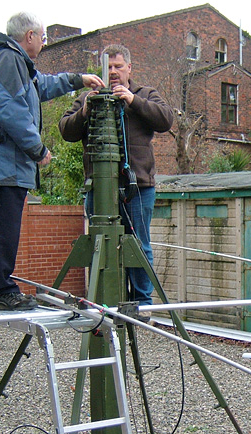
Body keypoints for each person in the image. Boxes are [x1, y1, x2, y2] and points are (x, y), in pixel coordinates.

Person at [0, 12, 103, 311]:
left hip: (1, 163)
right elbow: (12, 112)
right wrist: (38, 150)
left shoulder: (12, 61)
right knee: (4, 228)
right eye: (42, 37)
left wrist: (78, 80)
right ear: (29, 36)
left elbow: (42, 86)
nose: (43, 42)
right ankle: (0, 291)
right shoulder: (9, 60)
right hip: (4, 164)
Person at [59, 44, 174, 319]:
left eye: (118, 66)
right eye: (108, 67)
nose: (112, 72)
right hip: (99, 188)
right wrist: (85, 110)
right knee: (99, 243)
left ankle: (142, 304)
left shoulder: (144, 94)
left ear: (129, 68)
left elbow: (166, 119)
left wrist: (133, 101)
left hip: (138, 188)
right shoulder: (88, 98)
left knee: (139, 245)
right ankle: (103, 301)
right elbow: (66, 129)